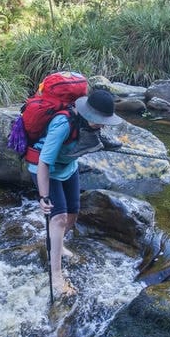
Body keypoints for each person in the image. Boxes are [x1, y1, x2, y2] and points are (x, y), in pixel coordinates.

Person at [32, 89, 123, 297]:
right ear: (88, 114)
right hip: (46, 170)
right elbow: (44, 163)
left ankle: (57, 246)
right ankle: (56, 273)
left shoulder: (91, 125)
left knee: (72, 215)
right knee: (59, 218)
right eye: (100, 119)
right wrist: (43, 196)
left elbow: (95, 138)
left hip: (68, 168)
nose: (103, 123)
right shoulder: (63, 125)